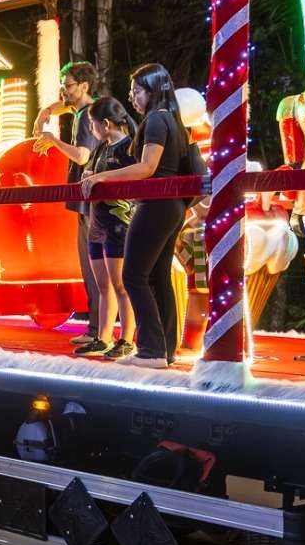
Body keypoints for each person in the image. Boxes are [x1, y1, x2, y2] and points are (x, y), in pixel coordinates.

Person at [81, 64, 199, 369]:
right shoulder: (172, 119)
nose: (132, 97)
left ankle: (151, 350)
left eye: (137, 91)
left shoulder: (157, 119)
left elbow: (147, 167)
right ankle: (165, 350)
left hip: (156, 204)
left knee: (133, 275)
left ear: (153, 90)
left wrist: (102, 177)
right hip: (172, 206)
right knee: (158, 277)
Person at [38, 95, 137, 358]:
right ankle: (103, 337)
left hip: (118, 223)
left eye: (93, 124)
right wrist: (89, 176)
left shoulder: (130, 148)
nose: (91, 129)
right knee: (102, 285)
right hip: (97, 221)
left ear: (106, 124)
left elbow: (132, 178)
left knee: (120, 285)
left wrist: (101, 178)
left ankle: (127, 339)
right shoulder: (101, 148)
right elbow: (89, 170)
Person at [34, 61, 102, 341]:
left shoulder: (86, 116)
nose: (63, 91)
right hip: (91, 198)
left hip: (91, 199)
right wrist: (46, 111)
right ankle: (98, 329)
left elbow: (83, 156)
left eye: (68, 86)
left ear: (84, 86)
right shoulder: (87, 110)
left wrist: (53, 140)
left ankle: (98, 330)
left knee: (94, 266)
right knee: (95, 266)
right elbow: (63, 105)